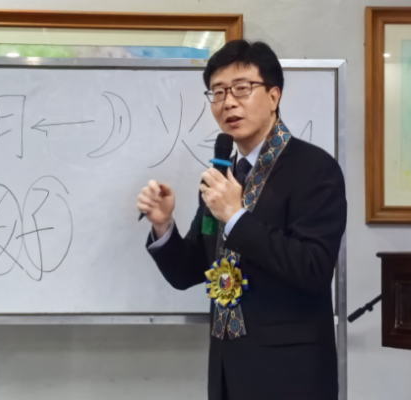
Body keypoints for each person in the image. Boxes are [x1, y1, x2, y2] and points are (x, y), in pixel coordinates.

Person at [136, 40, 346, 400]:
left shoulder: (314, 169)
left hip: (291, 374)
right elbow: (189, 272)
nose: (228, 102)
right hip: (227, 370)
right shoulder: (221, 177)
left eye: (242, 88)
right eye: (217, 92)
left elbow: (313, 268)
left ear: (274, 96)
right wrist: (163, 224)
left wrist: (235, 217)